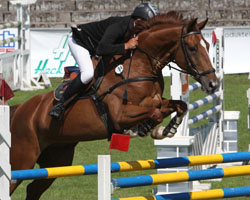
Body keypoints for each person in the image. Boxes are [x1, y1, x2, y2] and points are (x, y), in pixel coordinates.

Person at [49, 2, 159, 120]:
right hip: (80, 42)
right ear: (137, 20)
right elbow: (101, 49)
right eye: (146, 25)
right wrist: (125, 46)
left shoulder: (134, 29)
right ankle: (61, 104)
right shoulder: (119, 26)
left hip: (96, 46)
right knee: (88, 74)